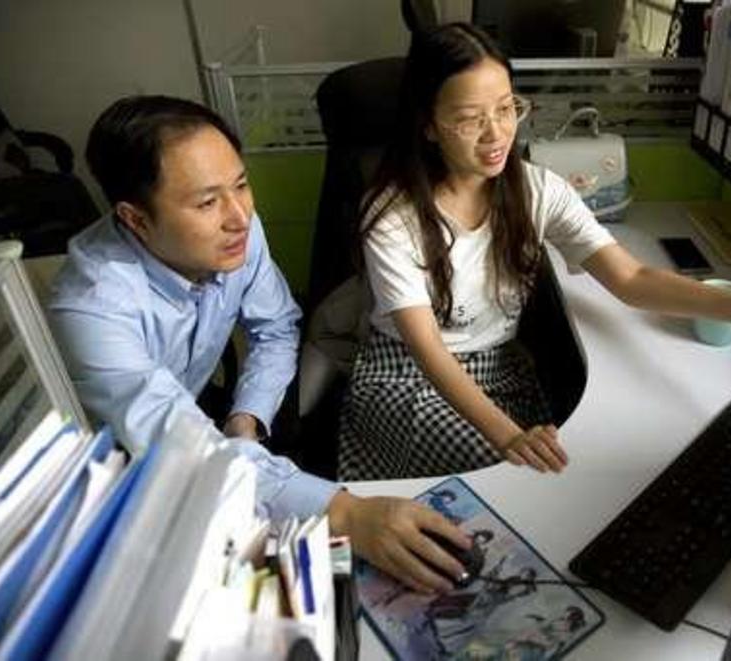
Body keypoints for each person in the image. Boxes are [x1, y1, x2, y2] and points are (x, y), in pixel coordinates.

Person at [337, 22, 731, 480]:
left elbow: (629, 279)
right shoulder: (391, 215)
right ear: (428, 125)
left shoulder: (537, 190)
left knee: (574, 462)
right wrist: (506, 435)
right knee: (517, 472)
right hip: (408, 374)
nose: (496, 134)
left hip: (497, 367)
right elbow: (427, 349)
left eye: (506, 108)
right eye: (471, 119)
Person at [48, 95, 470, 594]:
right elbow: (175, 445)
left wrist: (245, 418)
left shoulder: (236, 229)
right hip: (113, 472)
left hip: (195, 423)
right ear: (136, 219)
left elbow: (275, 327)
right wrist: (346, 513)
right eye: (207, 202)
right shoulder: (91, 307)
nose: (239, 216)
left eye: (241, 185)